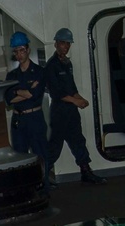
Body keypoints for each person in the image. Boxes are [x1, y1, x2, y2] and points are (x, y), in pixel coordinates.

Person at [45, 27, 107, 185]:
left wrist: (81, 99)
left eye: (68, 44)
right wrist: (76, 101)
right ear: (56, 44)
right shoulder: (51, 66)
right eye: (63, 43)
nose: (66, 46)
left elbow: (72, 89)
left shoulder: (67, 64)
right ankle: (42, 178)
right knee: (54, 147)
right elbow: (57, 93)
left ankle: (86, 172)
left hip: (70, 111)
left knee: (78, 141)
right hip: (59, 112)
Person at [5, 31, 51, 192]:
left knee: (40, 154)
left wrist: (18, 91)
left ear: (28, 50)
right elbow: (9, 99)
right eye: (16, 51)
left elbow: (35, 95)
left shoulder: (39, 71)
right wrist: (23, 92)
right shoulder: (12, 75)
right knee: (20, 156)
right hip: (18, 121)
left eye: (22, 50)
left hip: (35, 117)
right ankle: (25, 189)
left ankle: (44, 186)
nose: (19, 54)